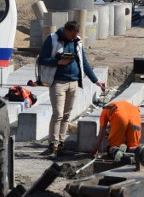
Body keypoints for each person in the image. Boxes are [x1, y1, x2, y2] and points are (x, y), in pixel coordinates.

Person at [39, 20, 106, 156]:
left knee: (66, 115)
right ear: (67, 31)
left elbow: (84, 62)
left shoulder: (77, 41)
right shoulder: (52, 39)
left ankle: (61, 143)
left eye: (77, 35)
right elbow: (42, 59)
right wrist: (58, 62)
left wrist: (96, 81)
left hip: (73, 83)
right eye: (73, 35)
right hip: (58, 82)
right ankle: (53, 144)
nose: (75, 37)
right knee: (58, 114)